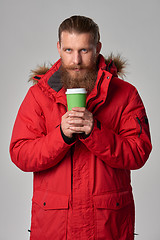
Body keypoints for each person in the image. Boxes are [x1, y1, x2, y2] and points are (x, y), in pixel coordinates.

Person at [10, 15, 152, 240]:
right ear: (58, 48)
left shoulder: (126, 94)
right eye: (68, 50)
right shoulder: (39, 96)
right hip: (54, 228)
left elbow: (138, 153)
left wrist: (95, 132)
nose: (76, 60)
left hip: (107, 228)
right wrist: (61, 136)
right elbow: (20, 153)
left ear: (97, 48)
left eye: (84, 51)